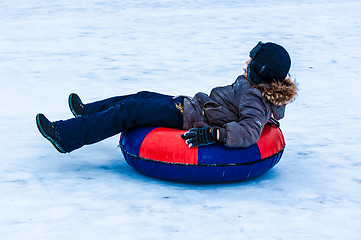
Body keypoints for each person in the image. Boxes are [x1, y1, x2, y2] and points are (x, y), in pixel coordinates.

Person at [36, 41, 297, 153]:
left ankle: (65, 137)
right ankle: (88, 112)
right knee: (141, 95)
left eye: (252, 60)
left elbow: (249, 132)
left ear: (259, 71)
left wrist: (215, 134)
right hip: (193, 106)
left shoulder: (255, 97)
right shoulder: (256, 88)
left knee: (129, 111)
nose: (247, 60)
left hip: (191, 117)